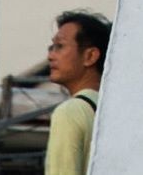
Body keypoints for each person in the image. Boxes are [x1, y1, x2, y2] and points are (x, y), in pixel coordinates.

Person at [44, 10, 109, 175]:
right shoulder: (112, 111)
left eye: (60, 46)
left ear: (90, 56)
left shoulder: (69, 113)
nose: (50, 56)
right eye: (51, 47)